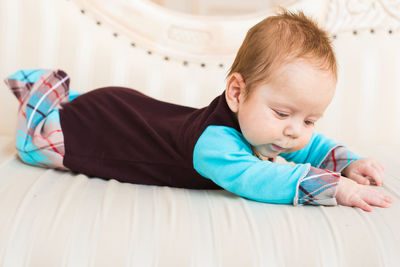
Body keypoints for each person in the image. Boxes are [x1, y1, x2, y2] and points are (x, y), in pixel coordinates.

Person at [4, 9, 393, 212]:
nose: (296, 132)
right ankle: (50, 112)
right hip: (96, 125)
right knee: (37, 146)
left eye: (310, 120)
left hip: (130, 108)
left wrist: (346, 162)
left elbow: (298, 146)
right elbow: (256, 178)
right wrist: (334, 188)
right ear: (237, 92)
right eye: (283, 114)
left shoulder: (264, 127)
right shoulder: (214, 145)